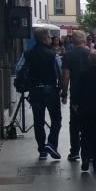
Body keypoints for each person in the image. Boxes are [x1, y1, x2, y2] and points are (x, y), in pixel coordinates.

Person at [21, 27, 63, 160]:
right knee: (56, 119)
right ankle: (51, 143)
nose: (51, 39)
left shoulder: (27, 54)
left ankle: (42, 150)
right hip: (50, 90)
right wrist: (62, 89)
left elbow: (18, 69)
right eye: (50, 37)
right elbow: (60, 72)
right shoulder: (53, 55)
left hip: (35, 90)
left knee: (38, 121)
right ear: (45, 38)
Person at [60, 30, 90, 161]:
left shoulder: (68, 55)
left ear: (72, 41)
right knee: (89, 123)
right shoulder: (91, 54)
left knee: (75, 124)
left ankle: (75, 151)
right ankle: (88, 151)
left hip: (76, 93)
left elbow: (66, 76)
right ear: (84, 41)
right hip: (89, 93)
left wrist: (64, 93)